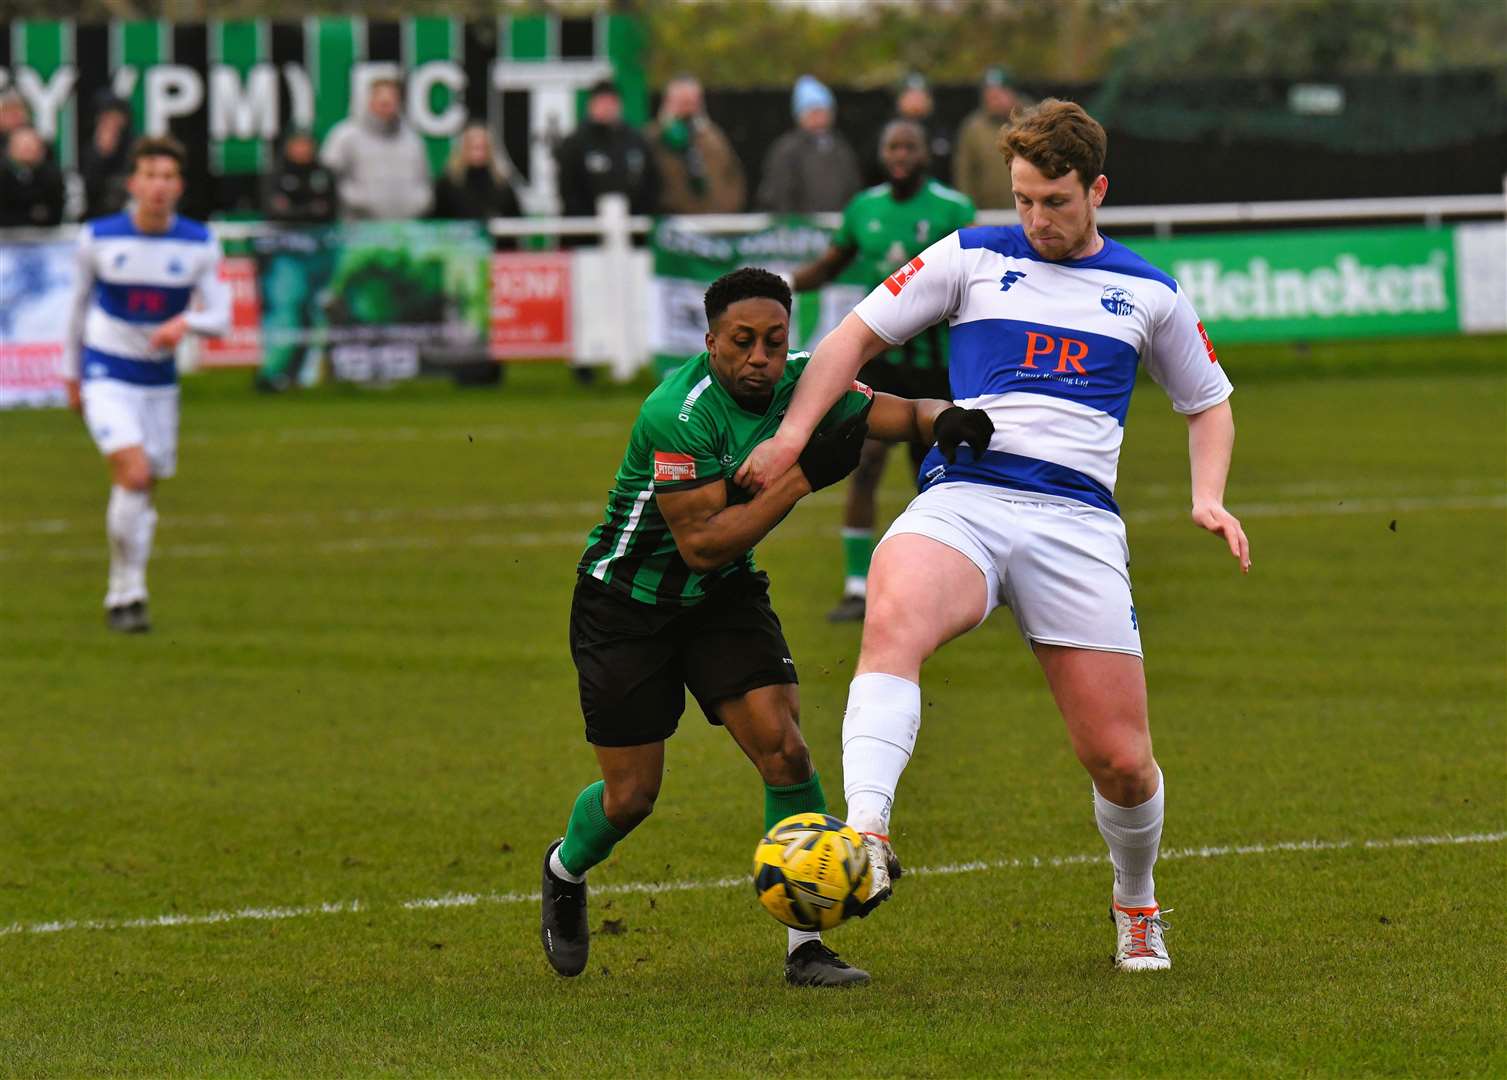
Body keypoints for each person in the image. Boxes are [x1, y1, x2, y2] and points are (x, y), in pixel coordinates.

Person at [736, 100, 1250, 973]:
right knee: (891, 618)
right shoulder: (971, 254)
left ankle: (1135, 905)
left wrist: (1209, 497)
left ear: (1096, 190)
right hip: (967, 499)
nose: (1035, 219)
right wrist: (789, 438)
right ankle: (865, 834)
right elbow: (850, 339)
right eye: (1021, 199)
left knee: (1121, 765)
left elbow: (1207, 402)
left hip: (1076, 524)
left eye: (1053, 201)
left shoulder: (1149, 293)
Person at [540, 267, 986, 988]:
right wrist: (805, 473)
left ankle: (805, 946)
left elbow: (896, 414)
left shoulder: (802, 385)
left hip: (722, 598)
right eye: (741, 342)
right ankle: (565, 869)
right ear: (710, 340)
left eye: (774, 342)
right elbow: (704, 541)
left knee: (783, 750)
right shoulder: (675, 413)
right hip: (626, 605)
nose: (759, 358)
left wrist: (949, 420)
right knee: (631, 797)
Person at [786, 119, 974, 622]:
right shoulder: (863, 208)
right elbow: (830, 264)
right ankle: (855, 588)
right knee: (864, 465)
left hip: (937, 367)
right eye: (892, 145)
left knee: (938, 476)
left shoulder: (952, 208)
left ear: (923, 155)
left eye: (909, 146)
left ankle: (955, 582)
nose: (899, 154)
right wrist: (778, 285)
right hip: (881, 366)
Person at [64, 135, 230, 633]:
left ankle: (127, 589)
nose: (158, 186)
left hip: (158, 383)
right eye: (149, 176)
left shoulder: (200, 242)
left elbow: (220, 317)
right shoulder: (98, 237)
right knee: (133, 473)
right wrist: (71, 375)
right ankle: (125, 593)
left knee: (142, 490)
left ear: (179, 186)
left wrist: (187, 325)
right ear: (133, 183)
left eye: (168, 177)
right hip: (106, 372)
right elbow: (74, 310)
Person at [320, 77, 433, 220]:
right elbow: (330, 178)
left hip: (404, 228)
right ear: (369, 99)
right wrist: (358, 200)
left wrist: (419, 204)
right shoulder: (344, 136)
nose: (386, 104)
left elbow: (424, 180)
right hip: (359, 229)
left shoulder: (413, 139)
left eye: (391, 99)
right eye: (381, 99)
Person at [554, 78, 659, 222]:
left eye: (611, 102)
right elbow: (567, 189)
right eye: (602, 102)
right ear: (591, 105)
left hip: (631, 228)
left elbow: (651, 182)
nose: (607, 107)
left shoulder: (636, 141)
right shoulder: (575, 143)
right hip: (587, 230)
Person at [756, 75, 862, 214]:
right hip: (801, 231)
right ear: (800, 116)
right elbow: (778, 195)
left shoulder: (841, 148)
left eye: (823, 111)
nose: (819, 117)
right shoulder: (786, 150)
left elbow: (853, 189)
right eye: (813, 112)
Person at [647, 74, 746, 214]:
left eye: (692, 102)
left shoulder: (714, 136)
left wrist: (729, 207)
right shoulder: (653, 137)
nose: (688, 108)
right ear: (668, 102)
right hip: (675, 223)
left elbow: (733, 175)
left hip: (716, 221)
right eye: (683, 102)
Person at [954, 67, 1030, 210]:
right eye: (989, 94)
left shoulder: (1032, 120)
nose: (994, 99)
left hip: (1029, 209)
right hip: (987, 213)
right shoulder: (973, 128)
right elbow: (964, 172)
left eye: (999, 94)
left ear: (1012, 93)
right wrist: (967, 209)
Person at [433, 122, 523, 228]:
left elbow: (515, 222)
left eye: (482, 147)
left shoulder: (502, 186)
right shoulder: (447, 184)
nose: (478, 153)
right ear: (462, 149)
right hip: (458, 242)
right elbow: (438, 221)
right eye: (473, 147)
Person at [260, 130, 337, 224]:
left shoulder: (323, 174)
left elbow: (328, 208)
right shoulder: (276, 173)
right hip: (282, 230)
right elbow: (273, 209)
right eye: (298, 145)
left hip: (317, 230)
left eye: (306, 145)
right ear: (288, 147)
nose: (302, 149)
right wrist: (308, 210)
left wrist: (295, 210)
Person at [0, 125, 66, 227]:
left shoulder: (52, 176)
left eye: (30, 146)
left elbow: (54, 213)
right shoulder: (3, 176)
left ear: (41, 149)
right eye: (22, 146)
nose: (27, 150)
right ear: (10, 149)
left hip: (46, 237)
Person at [80, 94, 134, 220]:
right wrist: (102, 155)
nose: (111, 122)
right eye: (106, 116)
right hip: (97, 214)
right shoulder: (90, 149)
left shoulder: (133, 146)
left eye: (115, 116)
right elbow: (90, 187)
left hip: (126, 211)